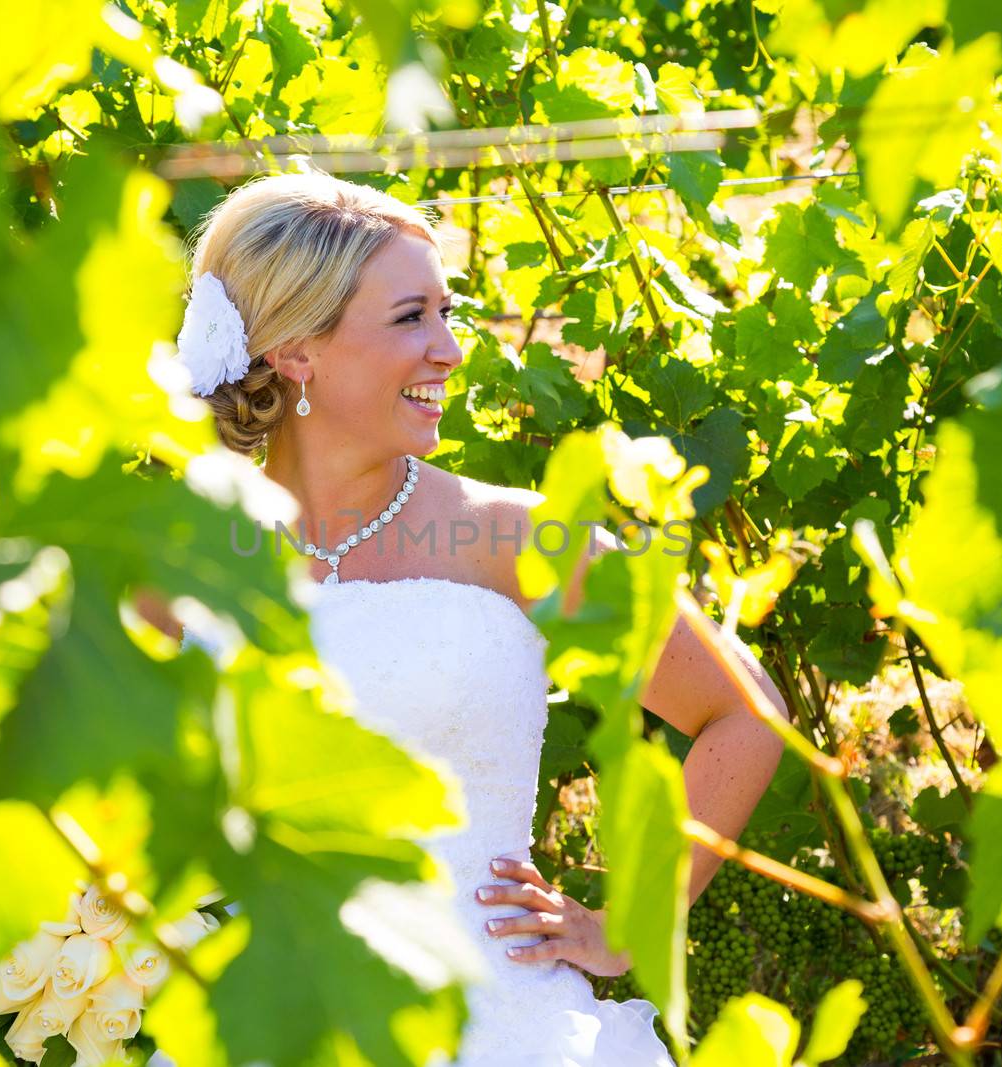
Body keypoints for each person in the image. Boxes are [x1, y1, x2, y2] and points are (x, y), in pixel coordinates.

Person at [156, 170, 792, 1065]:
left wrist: (626, 924)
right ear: (298, 350)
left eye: (446, 314)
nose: (451, 349)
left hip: (498, 1025)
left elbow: (746, 714)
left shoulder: (515, 536)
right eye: (412, 317)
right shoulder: (175, 558)